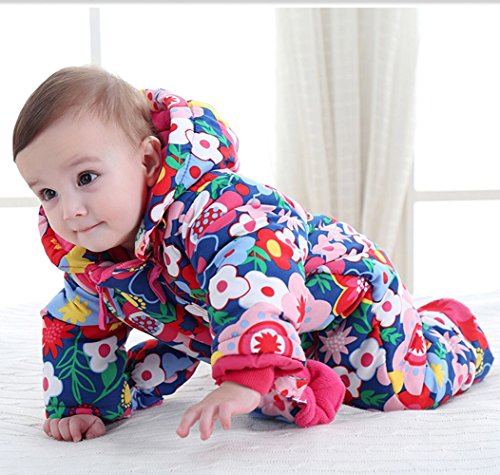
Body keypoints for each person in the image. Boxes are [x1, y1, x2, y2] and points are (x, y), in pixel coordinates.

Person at [13, 66, 494, 443]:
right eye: (48, 193)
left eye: (86, 178)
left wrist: (246, 374)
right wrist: (81, 405)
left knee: (396, 388)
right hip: (217, 318)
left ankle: (452, 331)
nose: (70, 211)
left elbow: (254, 268)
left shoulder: (216, 208)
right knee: (165, 368)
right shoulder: (92, 261)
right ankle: (288, 371)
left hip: (339, 292)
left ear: (148, 159)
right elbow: (78, 323)